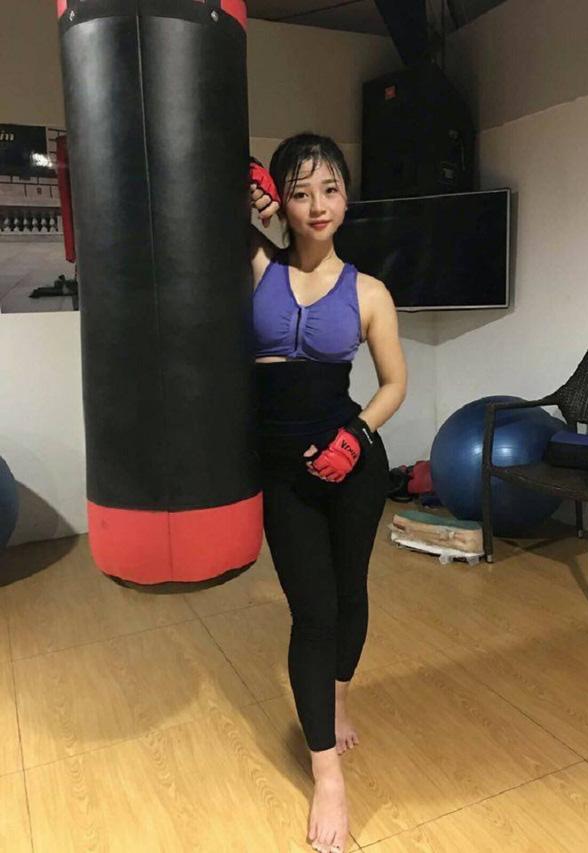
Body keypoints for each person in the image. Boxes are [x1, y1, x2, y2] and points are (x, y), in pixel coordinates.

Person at [249, 134, 407, 853]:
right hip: (284, 475)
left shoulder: (369, 292)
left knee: (349, 593)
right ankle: (328, 776)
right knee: (311, 613)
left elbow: (394, 383)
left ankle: (337, 696)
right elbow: (199, 190)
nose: (318, 205)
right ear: (280, 201)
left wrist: (359, 434)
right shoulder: (256, 265)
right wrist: (246, 183)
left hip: (353, 466)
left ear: (347, 198)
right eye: (300, 191)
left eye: (331, 189)